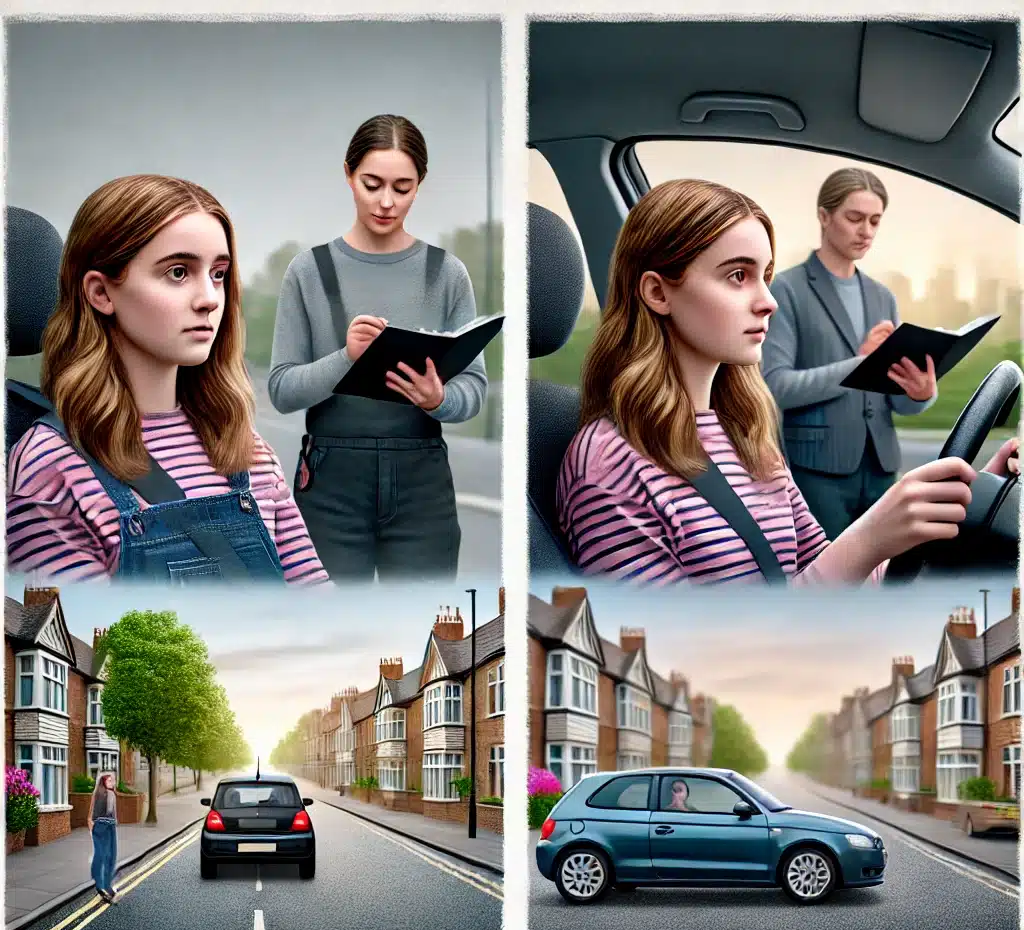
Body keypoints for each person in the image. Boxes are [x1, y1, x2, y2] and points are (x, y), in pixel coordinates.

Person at [557, 178, 1019, 586]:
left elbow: (831, 577)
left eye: (766, 276)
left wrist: (976, 495)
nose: (767, 302)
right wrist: (866, 539)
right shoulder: (606, 466)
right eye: (737, 276)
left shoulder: (751, 440)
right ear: (658, 292)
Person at [6, 175, 328, 585]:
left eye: (218, 273)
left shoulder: (250, 451)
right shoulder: (50, 469)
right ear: (101, 293)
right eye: (178, 272)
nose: (210, 298)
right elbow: (95, 641)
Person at [268, 113, 489, 581]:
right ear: (348, 174)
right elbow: (282, 390)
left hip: (422, 482)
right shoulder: (309, 271)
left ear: (419, 185)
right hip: (330, 484)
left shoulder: (447, 274)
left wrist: (440, 399)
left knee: (422, 619)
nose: (387, 202)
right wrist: (345, 357)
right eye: (372, 184)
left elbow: (475, 387)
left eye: (403, 187)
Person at [762, 167, 936, 539]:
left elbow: (895, 401)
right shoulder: (787, 290)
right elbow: (775, 386)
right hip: (816, 471)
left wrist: (919, 393)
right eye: (855, 218)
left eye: (875, 221)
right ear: (824, 217)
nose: (867, 231)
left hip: (882, 468)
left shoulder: (882, 296)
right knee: (833, 584)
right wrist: (862, 363)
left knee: (887, 579)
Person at [88, 772, 120, 904]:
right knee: (106, 856)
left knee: (105, 855)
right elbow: (98, 811)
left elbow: (110, 812)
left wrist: (90, 821)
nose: (112, 782)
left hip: (105, 826)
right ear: (103, 782)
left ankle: (102, 884)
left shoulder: (106, 793)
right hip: (103, 826)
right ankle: (103, 884)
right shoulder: (104, 794)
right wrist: (91, 821)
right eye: (109, 780)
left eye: (113, 780)